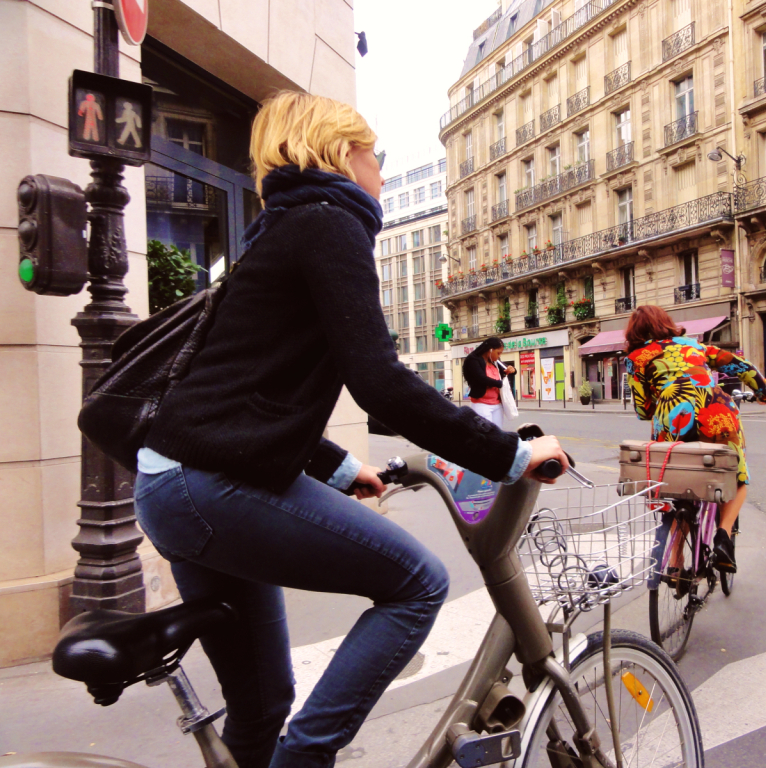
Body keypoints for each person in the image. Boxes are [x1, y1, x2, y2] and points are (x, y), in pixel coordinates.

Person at [131, 92, 568, 768]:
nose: (383, 173)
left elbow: (257, 396)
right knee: (418, 582)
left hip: (174, 483)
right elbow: (380, 380)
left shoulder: (279, 228)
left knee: (261, 704)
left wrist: (341, 470)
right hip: (211, 484)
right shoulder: (329, 221)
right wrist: (510, 452)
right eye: (374, 155)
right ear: (338, 152)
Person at [624, 305, 766, 573]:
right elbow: (741, 366)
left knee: (676, 486)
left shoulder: (636, 358)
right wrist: (765, 393)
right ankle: (723, 536)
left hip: (673, 421)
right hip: (716, 412)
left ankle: (676, 563)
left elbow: (642, 410)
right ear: (666, 323)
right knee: (737, 477)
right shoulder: (694, 346)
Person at [464, 338, 509, 427]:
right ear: (490, 350)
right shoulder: (473, 359)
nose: (499, 356)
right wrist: (499, 384)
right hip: (481, 404)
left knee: (498, 432)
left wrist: (512, 370)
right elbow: (481, 378)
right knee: (487, 433)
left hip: (497, 403)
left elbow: (505, 369)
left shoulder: (494, 361)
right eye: (498, 353)